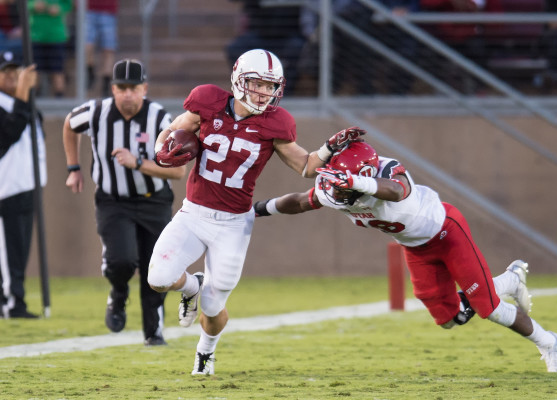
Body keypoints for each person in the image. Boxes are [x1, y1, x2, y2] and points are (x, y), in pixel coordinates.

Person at [253, 138, 557, 373]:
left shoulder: (388, 181)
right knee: (449, 319)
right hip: (416, 248)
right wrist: (255, 211)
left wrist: (357, 182)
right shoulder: (339, 189)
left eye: (345, 186)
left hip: (447, 232)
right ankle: (508, 280)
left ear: (363, 178)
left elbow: (396, 189)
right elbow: (298, 201)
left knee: (489, 309)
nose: (336, 193)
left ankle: (550, 343)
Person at [147, 49, 364, 375]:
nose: (264, 91)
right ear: (238, 78)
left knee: (213, 307)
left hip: (234, 224)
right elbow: (171, 132)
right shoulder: (207, 101)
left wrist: (329, 149)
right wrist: (161, 151)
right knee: (158, 278)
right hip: (193, 213)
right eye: (257, 83)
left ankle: (206, 351)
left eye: (270, 85)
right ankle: (192, 286)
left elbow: (305, 166)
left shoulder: (276, 123)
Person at [62, 59, 186, 346]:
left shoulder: (160, 119)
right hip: (113, 201)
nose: (128, 94)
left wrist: (138, 163)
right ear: (113, 89)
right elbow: (70, 123)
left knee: (155, 269)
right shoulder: (96, 112)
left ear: (144, 89)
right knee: (121, 261)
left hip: (154, 201)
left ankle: (153, 331)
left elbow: (178, 171)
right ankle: (118, 295)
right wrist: (73, 167)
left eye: (134, 88)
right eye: (122, 88)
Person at [0, 51, 45, 319]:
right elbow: (8, 133)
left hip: (27, 183)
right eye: (6, 72)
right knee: (9, 248)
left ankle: (13, 297)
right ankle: (11, 301)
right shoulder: (9, 103)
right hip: (7, 185)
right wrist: (22, 94)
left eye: (16, 72)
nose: (12, 78)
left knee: (20, 247)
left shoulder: (25, 103)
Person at [226, 0, 306, 95]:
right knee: (236, 48)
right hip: (259, 35)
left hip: (288, 36)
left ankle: (282, 94)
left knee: (298, 47)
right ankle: (249, 92)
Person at [28, 0, 72, 97]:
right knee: (35, 72)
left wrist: (59, 8)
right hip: (36, 36)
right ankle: (34, 103)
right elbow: (24, 5)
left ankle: (59, 103)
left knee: (57, 71)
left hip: (56, 37)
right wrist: (34, 5)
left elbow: (68, 5)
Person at [85, 0, 119, 97]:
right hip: (89, 9)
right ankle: (90, 71)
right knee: (87, 46)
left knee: (108, 48)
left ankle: (106, 81)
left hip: (108, 10)